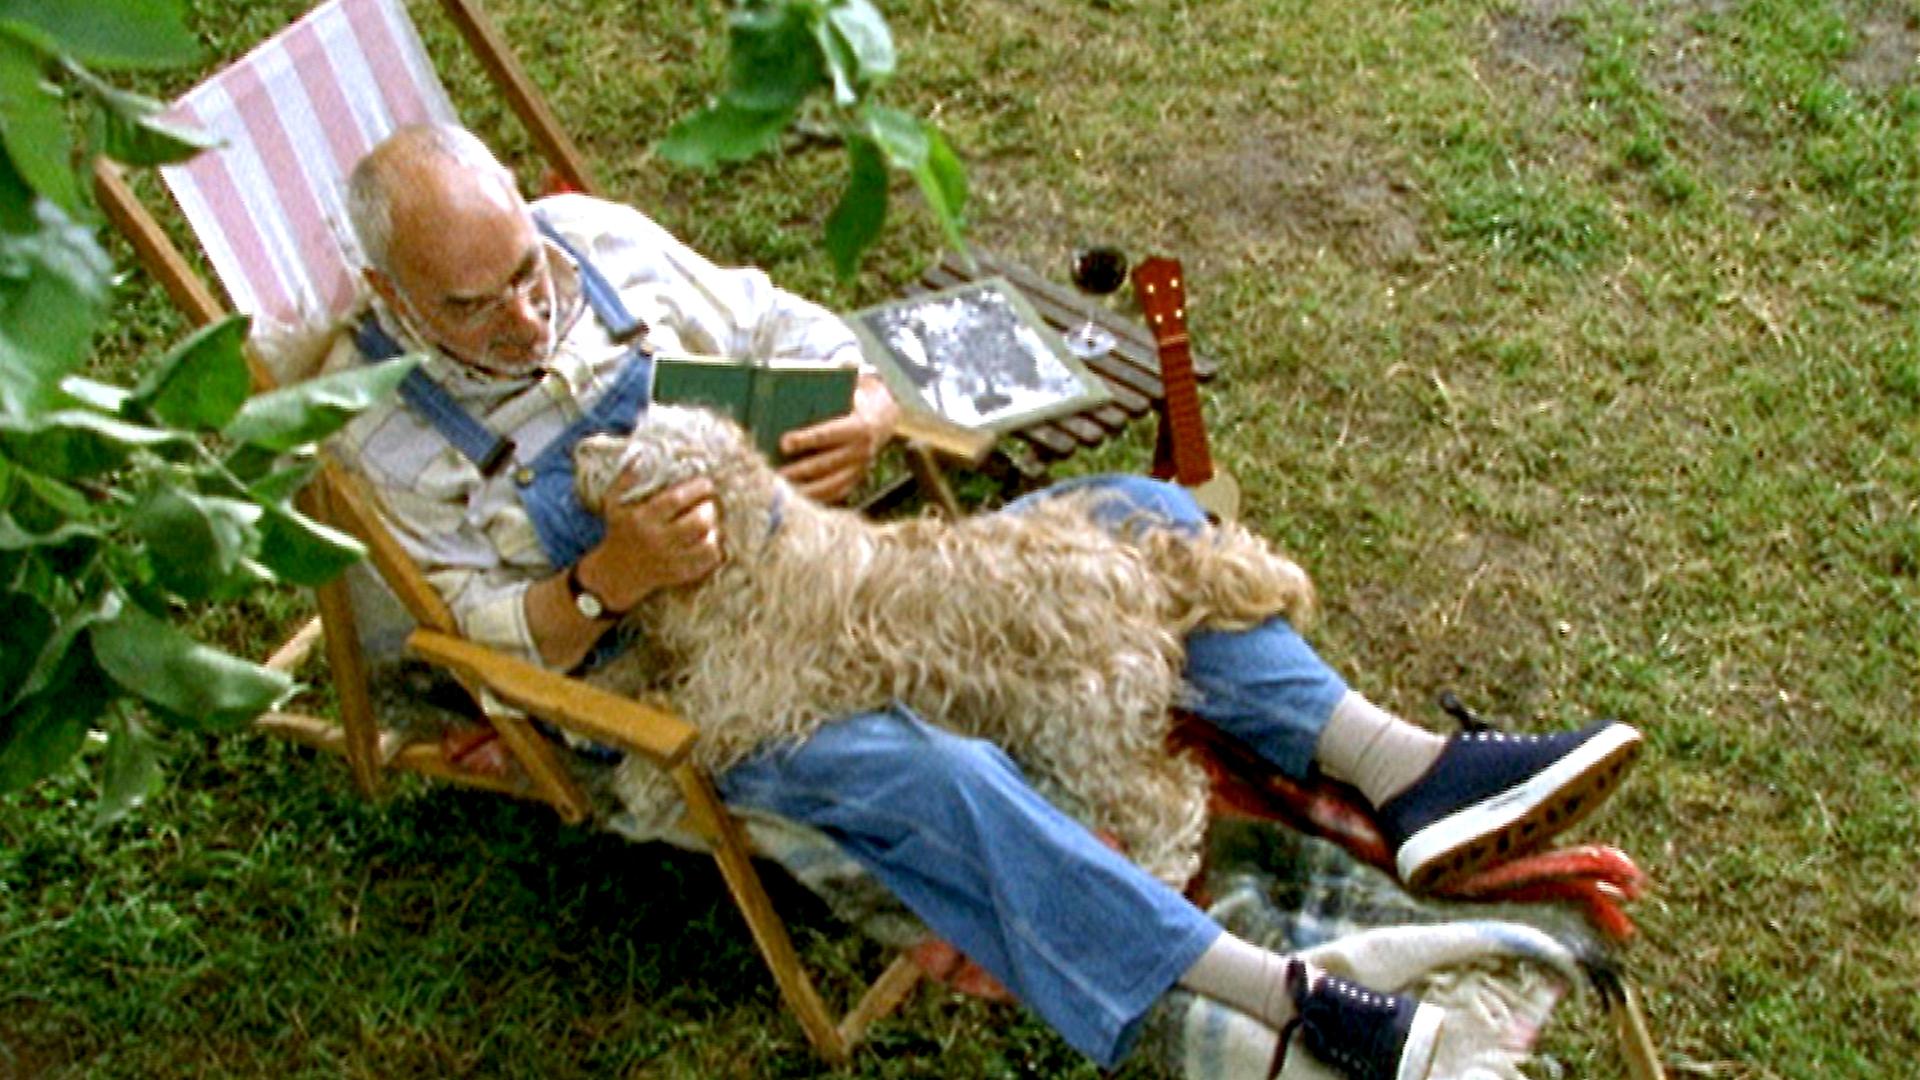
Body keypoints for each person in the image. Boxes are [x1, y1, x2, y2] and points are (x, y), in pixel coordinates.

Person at [326, 123, 1642, 1080]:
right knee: (934, 773)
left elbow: (798, 328)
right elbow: (456, 641)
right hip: (690, 688)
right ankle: (1286, 996)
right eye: (476, 302)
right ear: (388, 297)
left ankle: (1410, 776)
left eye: (527, 268)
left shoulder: (597, 240)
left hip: (837, 572)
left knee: (1144, 518)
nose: (526, 307)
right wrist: (602, 580)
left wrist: (851, 409)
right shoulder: (371, 438)